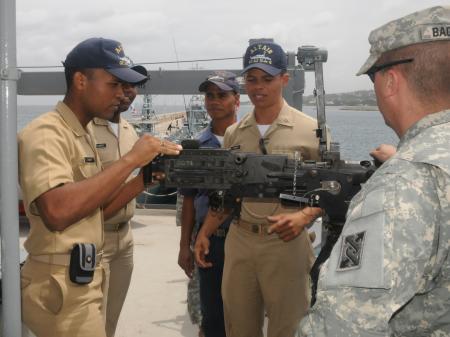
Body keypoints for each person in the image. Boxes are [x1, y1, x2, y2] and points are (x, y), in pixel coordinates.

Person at [299, 5, 450, 336]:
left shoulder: (404, 183)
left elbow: (343, 325)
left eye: (373, 77)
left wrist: (402, 170)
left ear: (390, 81)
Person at [18, 37, 181, 337]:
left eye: (124, 86)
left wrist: (145, 178)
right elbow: (57, 211)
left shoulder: (80, 132)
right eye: (113, 84)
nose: (121, 94)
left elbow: (97, 210)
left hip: (85, 274)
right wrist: (131, 159)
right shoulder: (45, 132)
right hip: (61, 284)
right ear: (81, 80)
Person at [195, 42, 322, 337]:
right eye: (252, 79)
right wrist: (205, 233)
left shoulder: (312, 130)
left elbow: (329, 190)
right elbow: (227, 194)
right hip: (240, 241)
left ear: (284, 79)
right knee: (238, 326)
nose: (258, 87)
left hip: (287, 244)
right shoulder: (233, 134)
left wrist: (304, 217)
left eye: (267, 78)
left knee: (288, 328)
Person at [179, 71, 240, 337]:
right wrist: (185, 247)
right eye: (210, 96)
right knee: (210, 315)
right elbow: (189, 199)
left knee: (245, 312)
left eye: (222, 95)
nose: (215, 101)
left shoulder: (250, 141)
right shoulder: (196, 147)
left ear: (236, 100)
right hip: (210, 240)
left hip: (245, 236)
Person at [91, 64, 148, 337]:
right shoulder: (86, 130)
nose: (127, 93)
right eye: (119, 85)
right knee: (91, 324)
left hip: (124, 239)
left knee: (110, 322)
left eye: (132, 86)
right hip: (94, 238)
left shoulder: (129, 131)